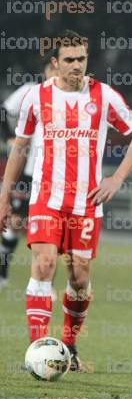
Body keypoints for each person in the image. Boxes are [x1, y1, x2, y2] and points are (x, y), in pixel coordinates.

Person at [0, 30, 132, 370]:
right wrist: (4, 194)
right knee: (43, 264)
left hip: (86, 203)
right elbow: (20, 147)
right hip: (45, 197)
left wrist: (116, 178)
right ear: (55, 63)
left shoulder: (104, 96)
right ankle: (37, 350)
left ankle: (68, 346)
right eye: (68, 59)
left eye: (81, 58)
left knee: (79, 276)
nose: (76, 66)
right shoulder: (36, 97)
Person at [0, 60, 57, 292]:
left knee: (52, 230)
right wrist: (8, 138)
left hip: (56, 175)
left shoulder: (74, 98)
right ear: (46, 70)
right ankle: (2, 270)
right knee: (15, 222)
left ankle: (46, 283)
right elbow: (4, 110)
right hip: (29, 169)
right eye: (52, 68)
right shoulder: (31, 91)